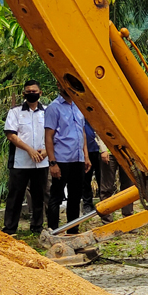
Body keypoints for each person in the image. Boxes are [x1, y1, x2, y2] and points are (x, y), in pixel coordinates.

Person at [2, 80, 48, 236]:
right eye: (28, 91)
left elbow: (54, 134)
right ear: (24, 93)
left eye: (34, 91)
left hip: (42, 162)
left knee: (38, 195)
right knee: (15, 195)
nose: (31, 93)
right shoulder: (15, 112)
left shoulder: (47, 112)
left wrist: (47, 151)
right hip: (20, 161)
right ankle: (9, 228)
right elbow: (11, 135)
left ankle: (37, 227)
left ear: (40, 93)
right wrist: (29, 149)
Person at [44, 91, 90, 234]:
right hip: (61, 159)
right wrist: (53, 163)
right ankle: (53, 230)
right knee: (56, 196)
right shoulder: (54, 107)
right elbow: (48, 136)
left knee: (75, 196)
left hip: (78, 158)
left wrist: (86, 156)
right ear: (59, 85)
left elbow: (82, 132)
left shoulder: (78, 106)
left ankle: (72, 229)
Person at [82, 119, 102, 213]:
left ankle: (104, 202)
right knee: (86, 179)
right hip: (86, 151)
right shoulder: (79, 113)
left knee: (102, 178)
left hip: (100, 150)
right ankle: (87, 204)